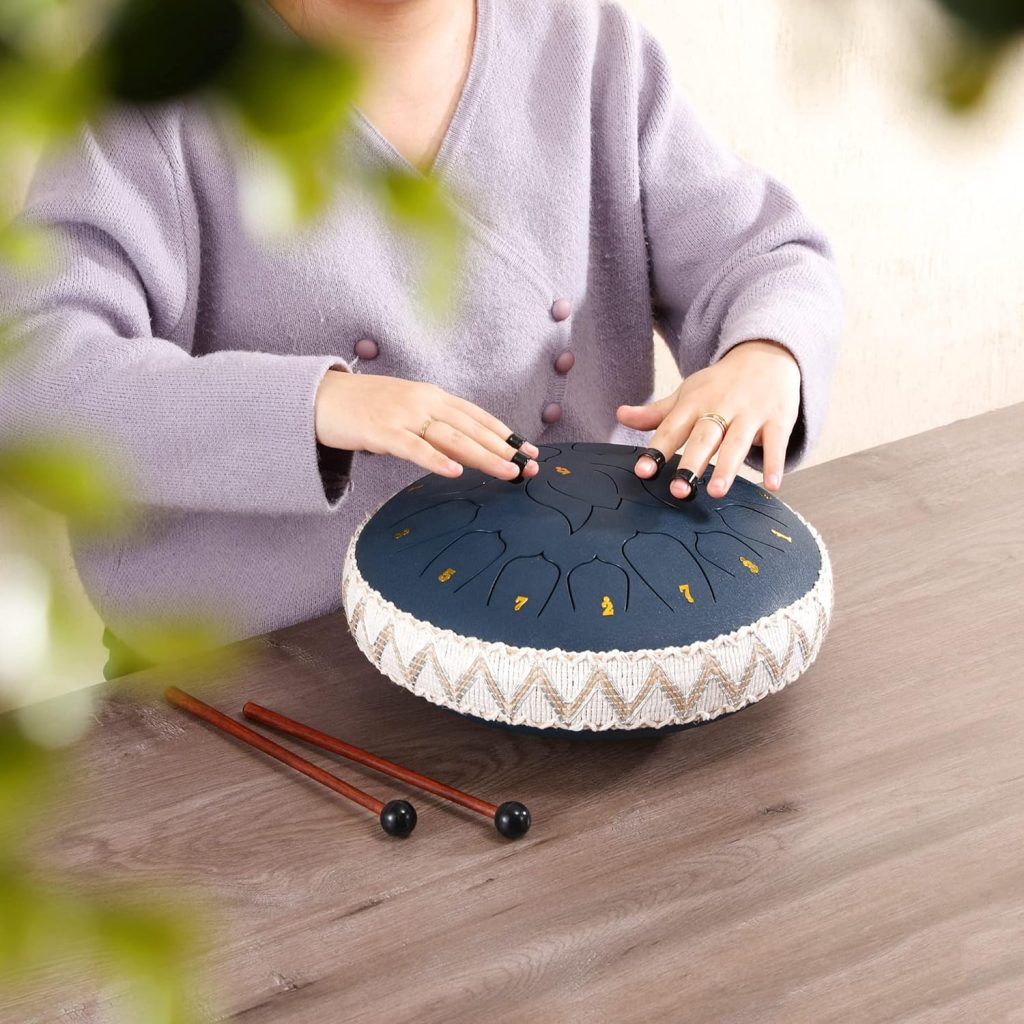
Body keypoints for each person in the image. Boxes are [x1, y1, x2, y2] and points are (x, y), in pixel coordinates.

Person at [0, 0, 844, 676]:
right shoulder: (156, 85)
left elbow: (770, 259)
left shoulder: (588, 46)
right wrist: (319, 406)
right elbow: (32, 379)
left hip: (581, 653)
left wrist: (765, 355)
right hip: (250, 680)